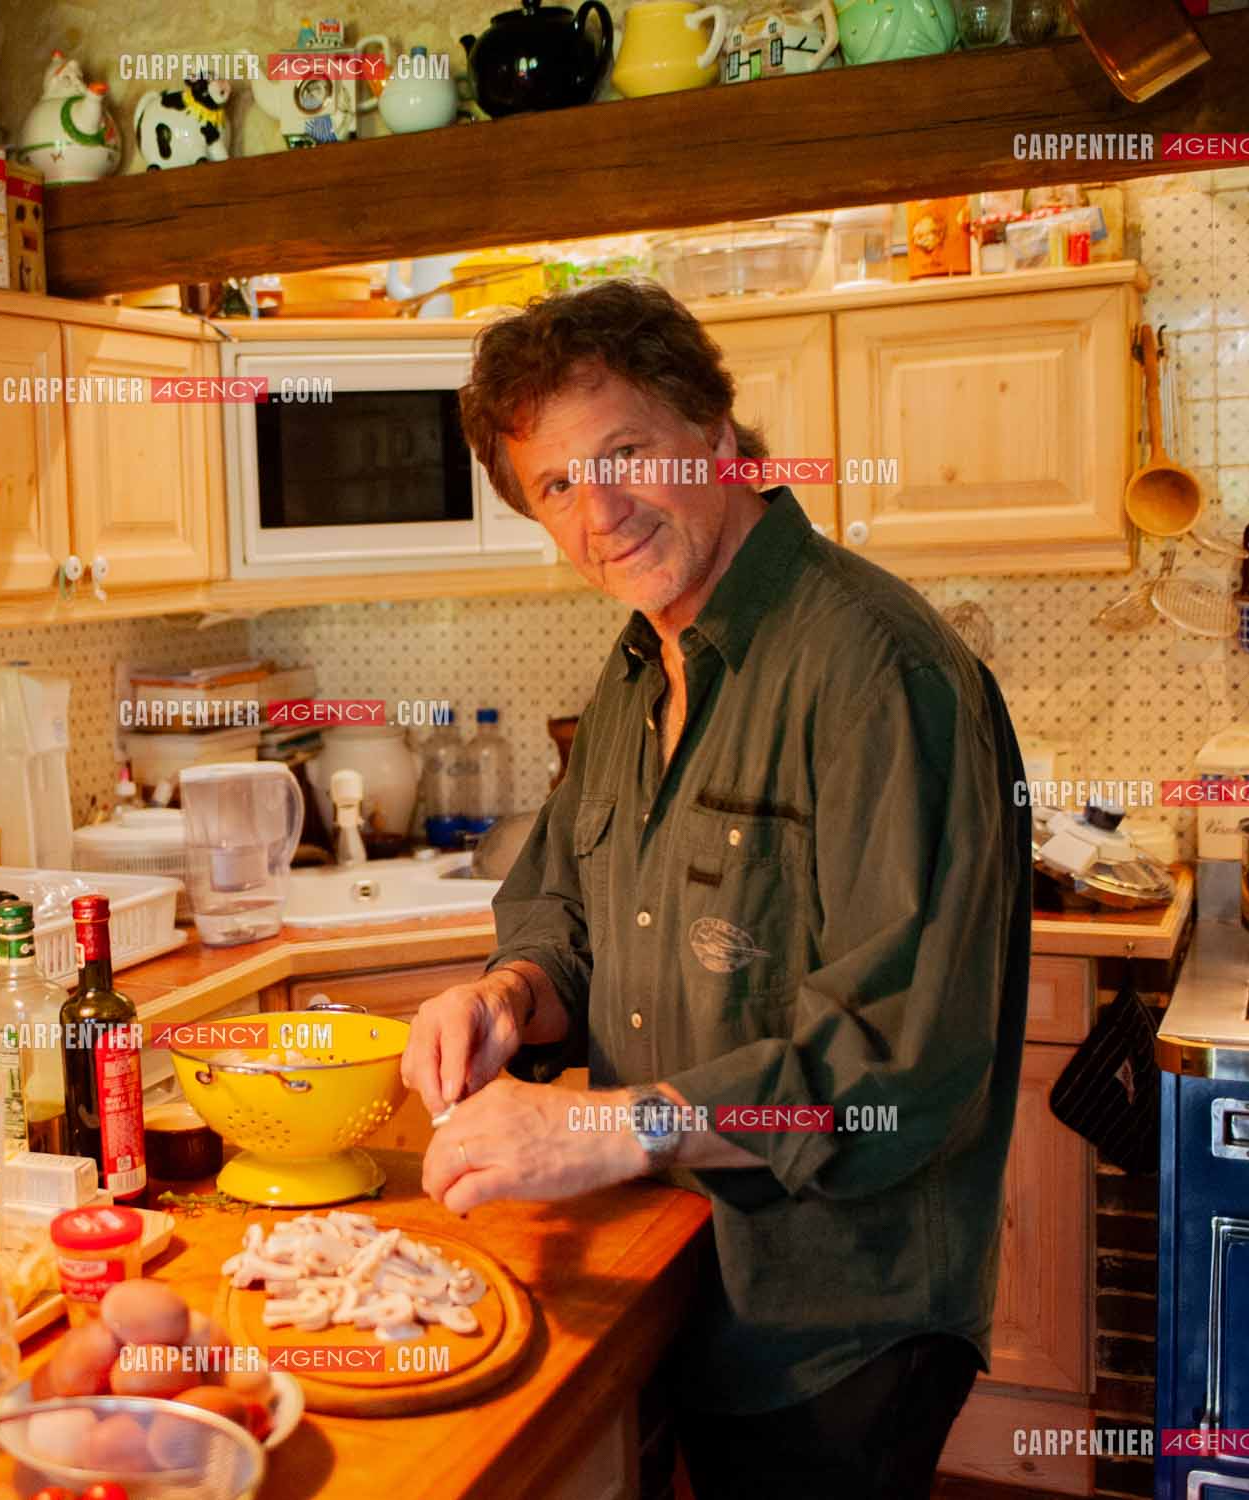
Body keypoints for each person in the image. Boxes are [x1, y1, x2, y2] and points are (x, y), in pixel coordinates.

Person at [403, 279, 1030, 1498]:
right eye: (557, 486)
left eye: (623, 453)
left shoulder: (876, 667)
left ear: (715, 430)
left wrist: (598, 1127)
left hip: (837, 1314)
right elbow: (567, 910)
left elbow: (893, 1066)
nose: (601, 511)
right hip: (685, 1270)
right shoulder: (641, 663)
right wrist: (509, 995)